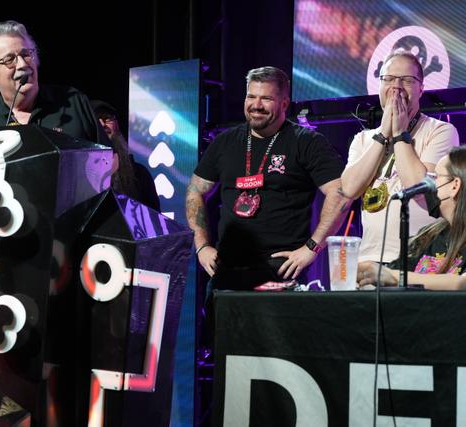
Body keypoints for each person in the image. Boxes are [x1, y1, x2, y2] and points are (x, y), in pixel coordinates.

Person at [185, 66, 351, 290]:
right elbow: (196, 190)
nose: (256, 105)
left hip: (280, 270)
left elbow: (340, 194)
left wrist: (312, 247)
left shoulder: (306, 142)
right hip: (228, 270)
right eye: (251, 96)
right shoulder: (225, 142)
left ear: (284, 103)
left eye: (266, 98)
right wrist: (202, 246)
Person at [341, 50, 459, 263]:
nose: (396, 86)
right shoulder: (362, 139)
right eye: (389, 79)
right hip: (369, 260)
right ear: (380, 86)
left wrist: (399, 133)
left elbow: (419, 189)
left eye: (406, 80)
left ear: (421, 89)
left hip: (421, 260)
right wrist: (382, 134)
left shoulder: (440, 130)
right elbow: (349, 189)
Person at [0, 20, 110, 147]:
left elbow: (111, 158)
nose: (22, 64)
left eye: (26, 54)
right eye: (9, 59)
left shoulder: (74, 102)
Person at [357, 146, 466, 290]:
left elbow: (461, 283)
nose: (430, 183)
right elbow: (395, 270)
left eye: (436, 177)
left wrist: (392, 276)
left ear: (455, 185)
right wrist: (366, 274)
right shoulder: (429, 235)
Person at [90, 100, 161, 211]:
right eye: (96, 119)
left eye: (107, 118)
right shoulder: (80, 174)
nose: (103, 124)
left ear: (117, 125)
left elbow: (154, 219)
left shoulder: (140, 174)